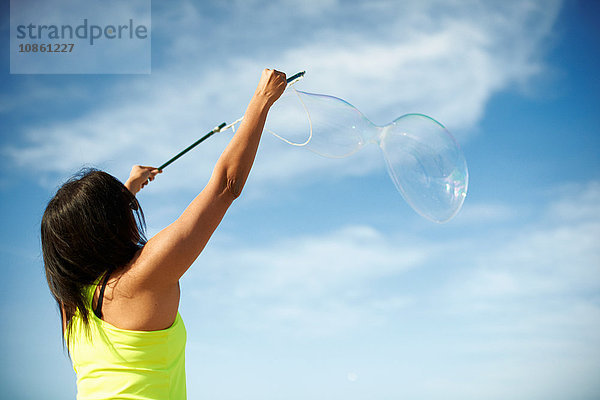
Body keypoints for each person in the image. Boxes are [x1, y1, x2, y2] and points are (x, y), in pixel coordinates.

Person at [41, 69, 287, 399]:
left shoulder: (70, 305)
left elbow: (90, 233)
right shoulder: (142, 278)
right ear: (108, 224)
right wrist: (262, 100)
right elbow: (226, 186)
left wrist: (128, 189)